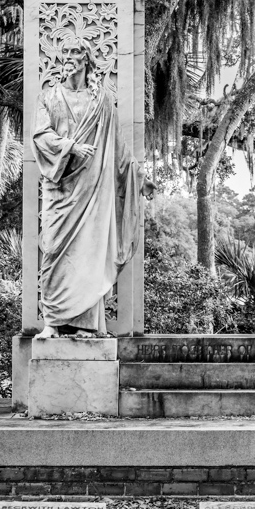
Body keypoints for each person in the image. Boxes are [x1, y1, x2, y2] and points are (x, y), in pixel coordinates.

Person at [31, 45, 154, 339]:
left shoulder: (101, 101)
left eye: (74, 56)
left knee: (88, 254)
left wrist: (139, 177)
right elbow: (40, 136)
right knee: (53, 249)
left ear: (86, 61)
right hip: (60, 188)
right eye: (65, 57)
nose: (68, 61)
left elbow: (117, 146)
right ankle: (52, 322)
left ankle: (86, 325)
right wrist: (70, 147)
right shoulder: (49, 96)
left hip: (93, 189)